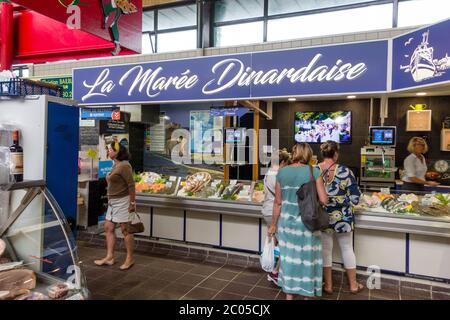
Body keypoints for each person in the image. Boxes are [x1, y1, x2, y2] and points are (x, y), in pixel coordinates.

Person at [268, 143, 328, 300]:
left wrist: (273, 225)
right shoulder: (314, 171)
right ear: (308, 154)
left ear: (294, 154)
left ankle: (289, 296)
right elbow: (323, 199)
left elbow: (277, 202)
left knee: (289, 262)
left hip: (287, 226)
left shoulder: (282, 173)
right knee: (307, 262)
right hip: (307, 225)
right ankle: (306, 295)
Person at [318, 141, 363, 295]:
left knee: (326, 251)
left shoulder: (314, 170)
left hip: (323, 216)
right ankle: (353, 285)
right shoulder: (345, 171)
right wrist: (344, 202)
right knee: (347, 249)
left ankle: (328, 286)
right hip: (343, 216)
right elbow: (356, 197)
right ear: (336, 154)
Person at [95, 142, 136, 270]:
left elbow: (131, 185)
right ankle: (109, 257)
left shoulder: (124, 166)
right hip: (113, 202)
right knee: (108, 228)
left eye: (110, 150)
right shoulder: (115, 164)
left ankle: (130, 258)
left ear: (117, 152)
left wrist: (132, 203)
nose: (108, 152)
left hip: (123, 201)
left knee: (125, 230)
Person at [262, 149, 292, 285]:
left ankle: (273, 268)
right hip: (275, 213)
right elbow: (281, 198)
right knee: (285, 244)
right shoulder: (278, 176)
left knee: (276, 242)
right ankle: (276, 272)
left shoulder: (268, 173)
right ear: (282, 162)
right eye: (286, 163)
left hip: (267, 211)